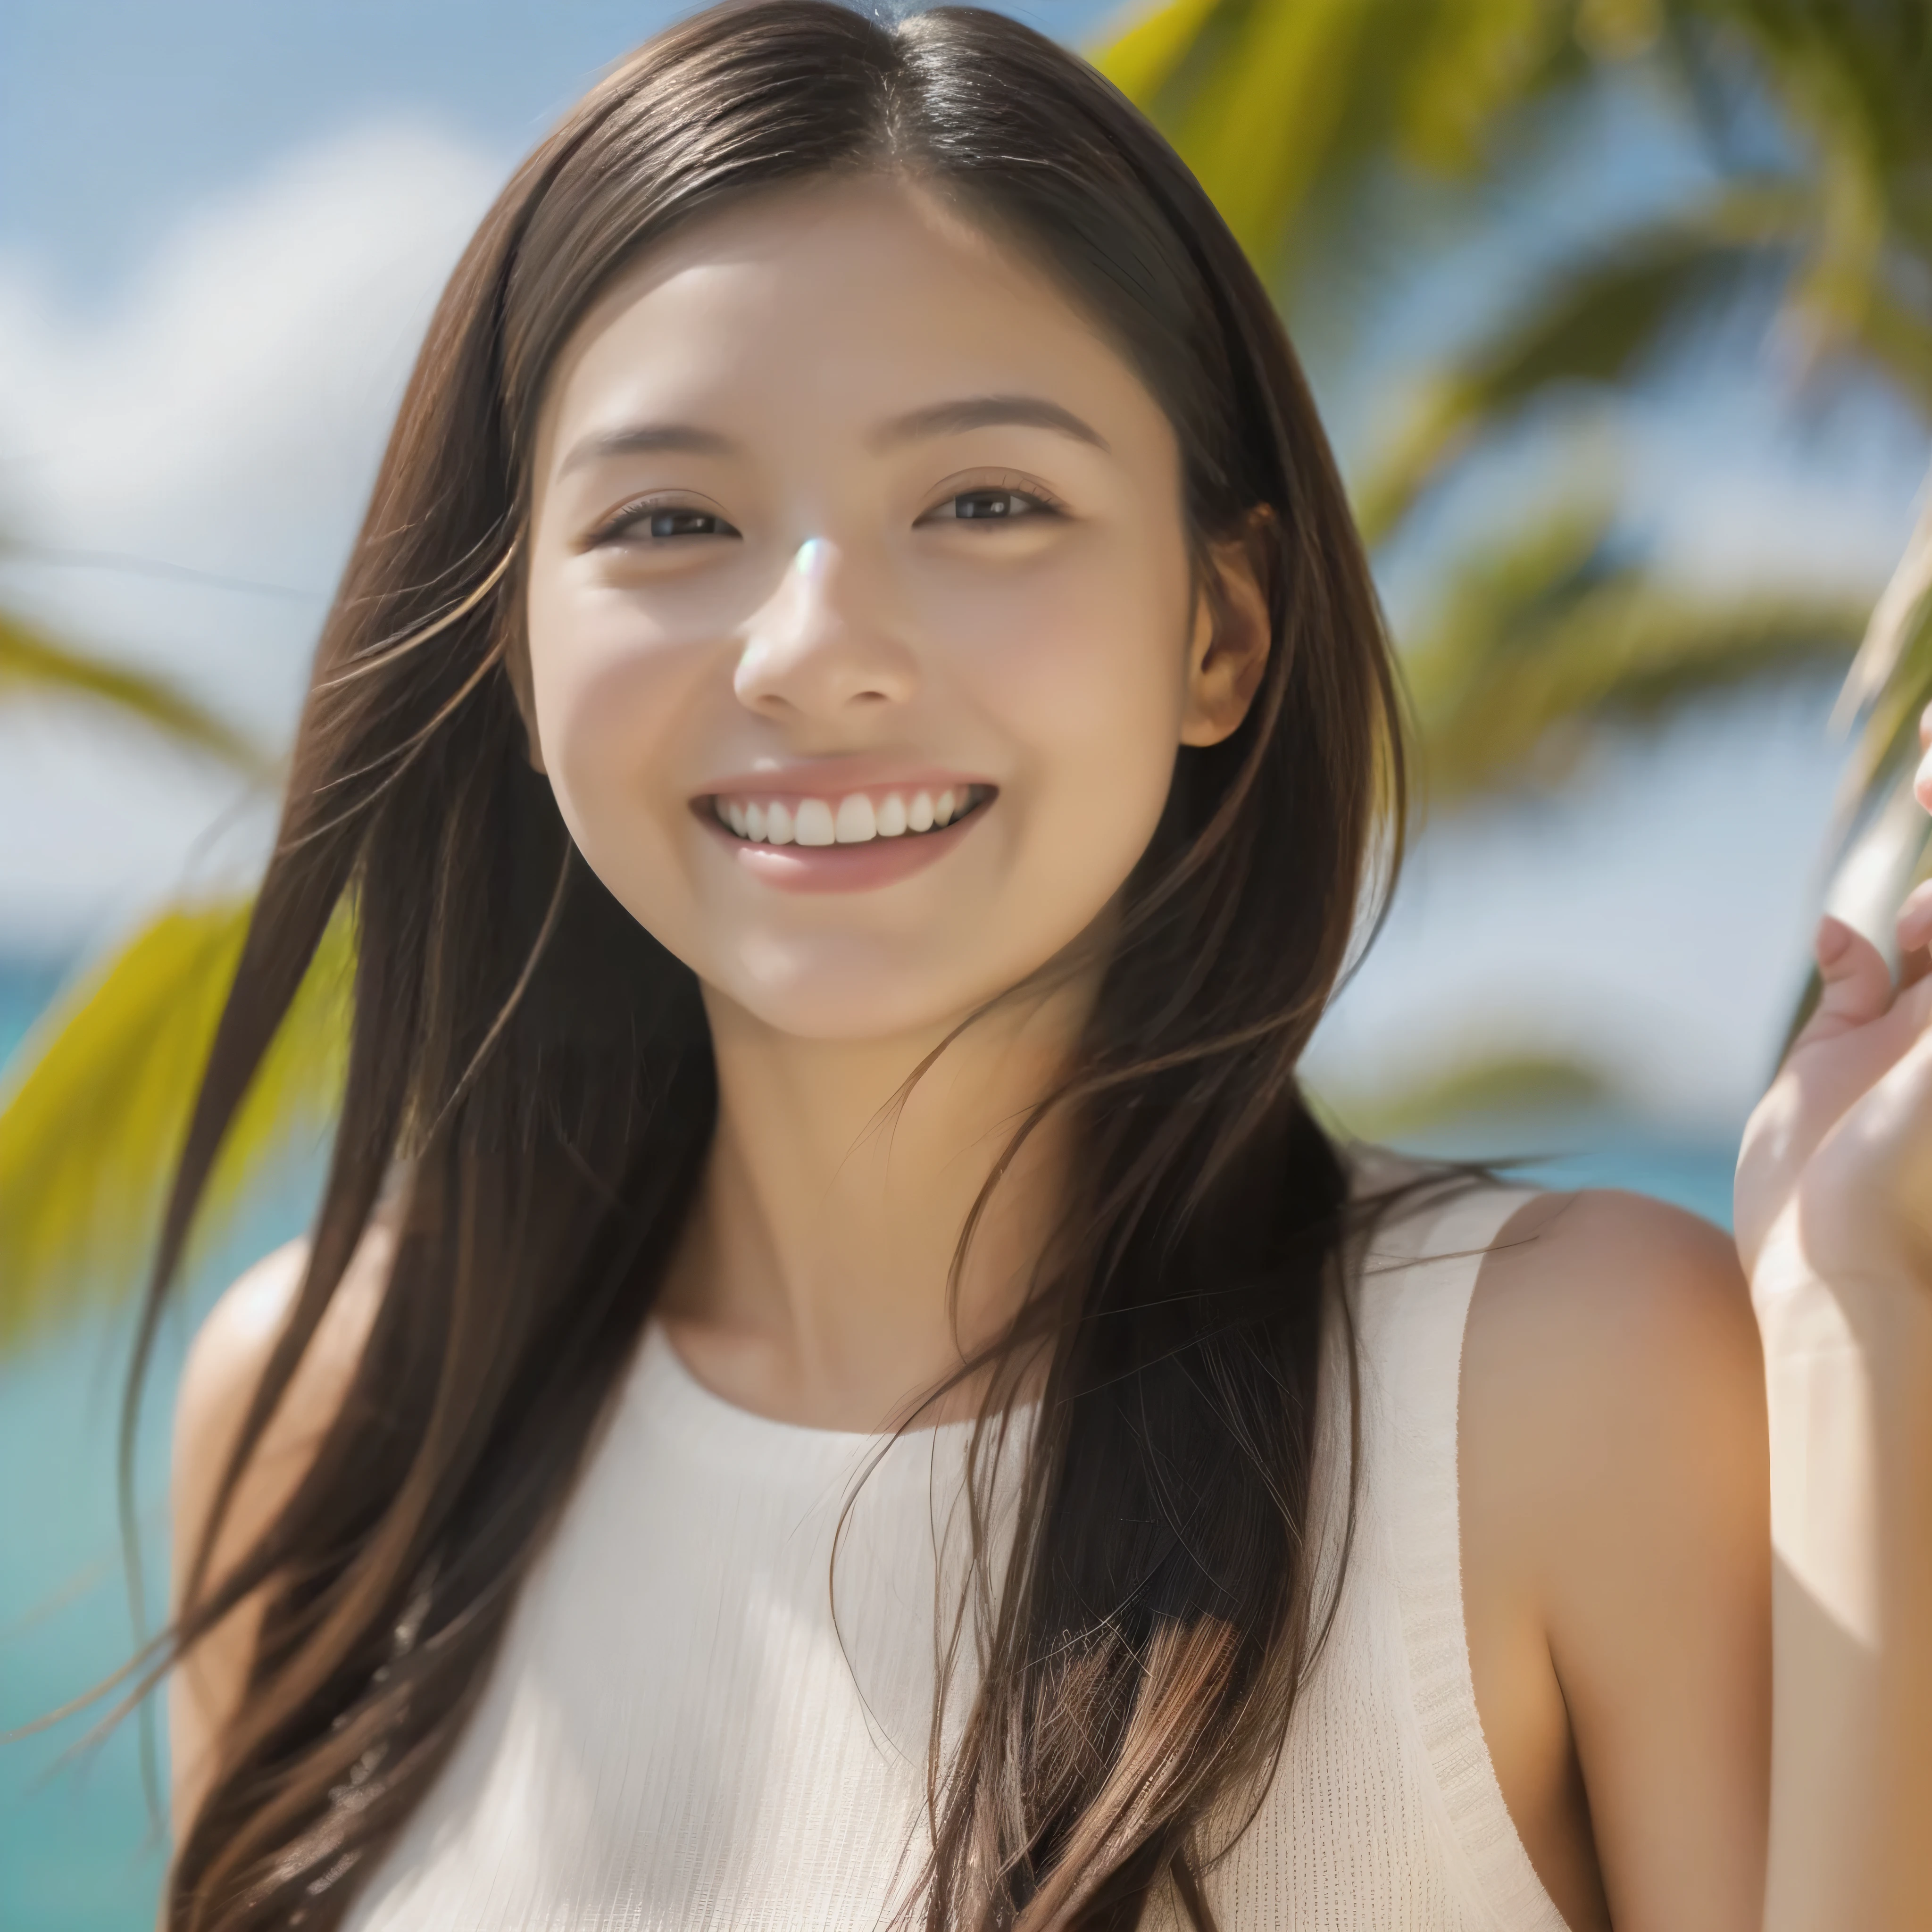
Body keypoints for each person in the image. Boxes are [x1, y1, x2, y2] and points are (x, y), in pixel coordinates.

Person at [146, 5, 1932, 1928]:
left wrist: (1853, 1325)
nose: (812, 650)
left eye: (984, 503)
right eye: (669, 519)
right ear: (510, 644)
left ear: (1220, 631)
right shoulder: (331, 1415)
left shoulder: (1560, 1387)